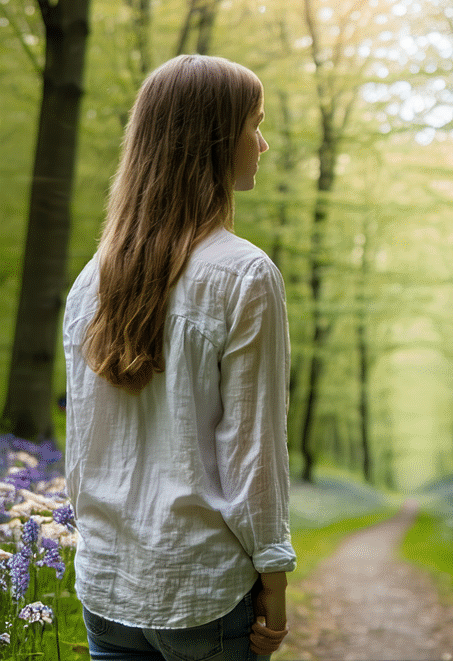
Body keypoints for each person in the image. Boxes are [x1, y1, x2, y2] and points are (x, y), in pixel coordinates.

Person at [63, 54, 295, 660]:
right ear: (214, 139)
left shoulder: (90, 282)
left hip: (107, 585)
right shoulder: (244, 274)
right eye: (255, 125)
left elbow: (82, 449)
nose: (263, 144)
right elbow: (252, 449)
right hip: (203, 588)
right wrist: (274, 574)